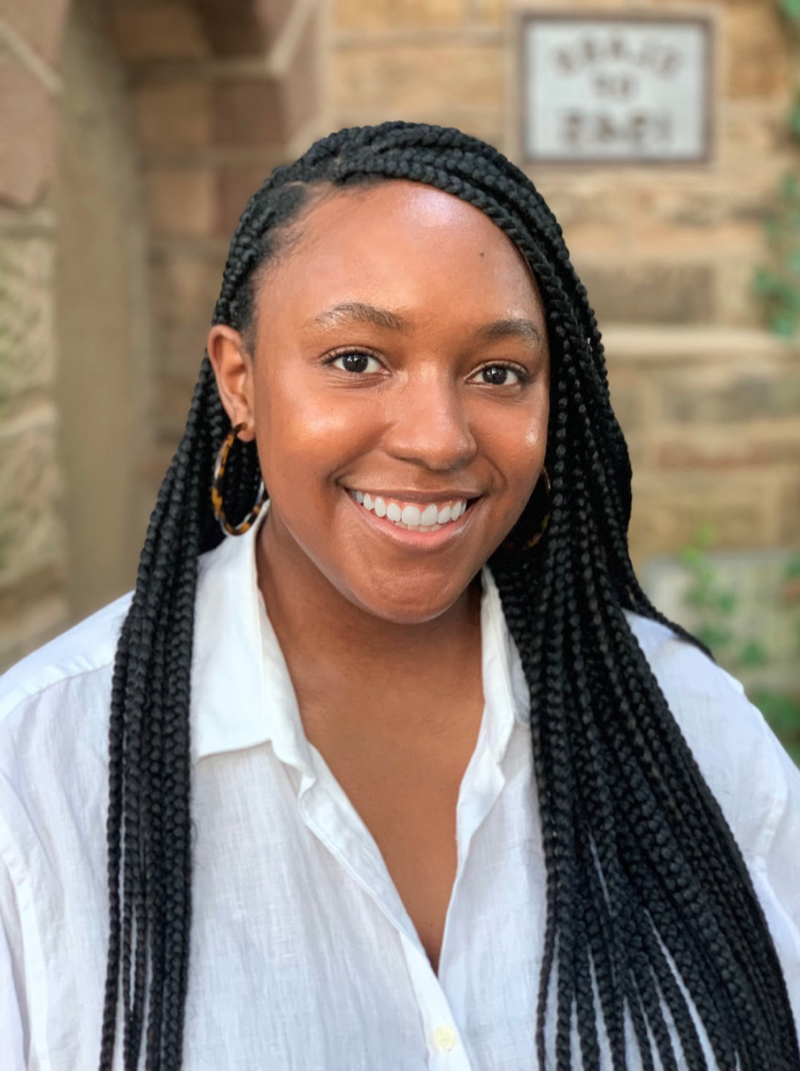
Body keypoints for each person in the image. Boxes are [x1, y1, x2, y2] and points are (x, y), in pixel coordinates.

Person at [1, 122, 798, 1071]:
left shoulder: (686, 725)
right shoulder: (35, 780)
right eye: (357, 360)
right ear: (240, 379)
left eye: (498, 373)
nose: (437, 437)